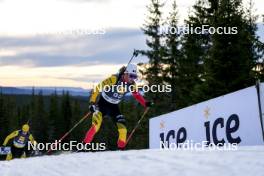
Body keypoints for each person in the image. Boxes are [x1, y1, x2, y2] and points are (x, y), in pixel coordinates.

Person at [83, 64, 152, 149]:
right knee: (96, 126)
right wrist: (92, 103)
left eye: (134, 77)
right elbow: (98, 88)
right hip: (102, 104)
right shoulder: (114, 79)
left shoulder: (132, 84)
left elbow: (137, 95)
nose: (132, 79)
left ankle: (120, 152)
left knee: (123, 130)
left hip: (114, 107)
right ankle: (83, 147)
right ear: (125, 74)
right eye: (131, 76)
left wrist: (145, 103)